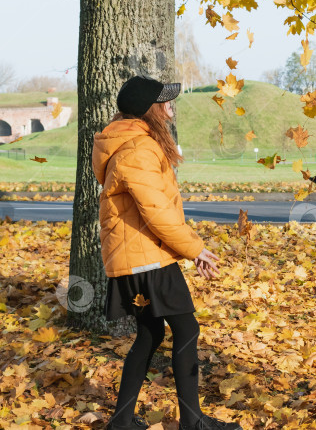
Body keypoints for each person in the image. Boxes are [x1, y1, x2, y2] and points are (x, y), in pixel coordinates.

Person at [92, 76, 241, 430]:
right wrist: (196, 249)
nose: (172, 107)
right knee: (187, 329)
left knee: (151, 334)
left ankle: (122, 421)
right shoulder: (138, 150)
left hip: (139, 256)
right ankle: (192, 422)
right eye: (167, 101)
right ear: (151, 109)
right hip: (146, 258)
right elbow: (156, 212)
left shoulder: (134, 142)